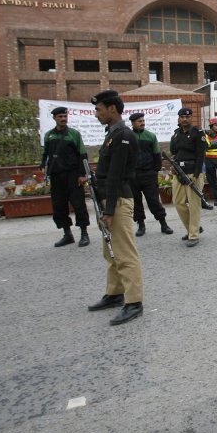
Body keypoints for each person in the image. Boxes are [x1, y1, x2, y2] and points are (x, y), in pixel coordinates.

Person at [87, 90, 144, 325]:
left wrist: (109, 211)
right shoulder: (112, 134)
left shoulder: (123, 135)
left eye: (99, 109)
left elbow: (116, 176)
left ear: (112, 109)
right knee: (110, 252)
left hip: (118, 200)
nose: (96, 113)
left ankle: (134, 302)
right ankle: (114, 293)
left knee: (125, 253)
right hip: (110, 199)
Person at [40, 106, 91, 247]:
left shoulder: (74, 134)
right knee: (59, 206)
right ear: (54, 118)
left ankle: (84, 234)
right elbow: (46, 154)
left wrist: (82, 174)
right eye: (60, 117)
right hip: (56, 176)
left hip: (73, 175)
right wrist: (43, 166)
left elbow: (82, 154)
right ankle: (67, 234)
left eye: (65, 116)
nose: (63, 119)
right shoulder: (49, 135)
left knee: (79, 204)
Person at [129, 112, 173, 236]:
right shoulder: (128, 137)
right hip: (133, 175)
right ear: (133, 123)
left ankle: (163, 224)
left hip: (148, 174)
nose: (142, 123)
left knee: (153, 200)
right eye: (139, 121)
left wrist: (155, 171)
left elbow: (156, 155)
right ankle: (141, 225)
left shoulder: (150, 136)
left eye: (143, 120)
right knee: (136, 202)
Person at [169, 107, 207, 247]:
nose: (185, 119)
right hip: (179, 172)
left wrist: (196, 175)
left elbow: (201, 156)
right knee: (178, 202)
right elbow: (173, 151)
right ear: (179, 118)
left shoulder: (198, 133)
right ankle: (193, 227)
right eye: (182, 117)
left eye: (187, 117)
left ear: (191, 118)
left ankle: (194, 235)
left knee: (194, 204)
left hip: (192, 172)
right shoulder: (176, 134)